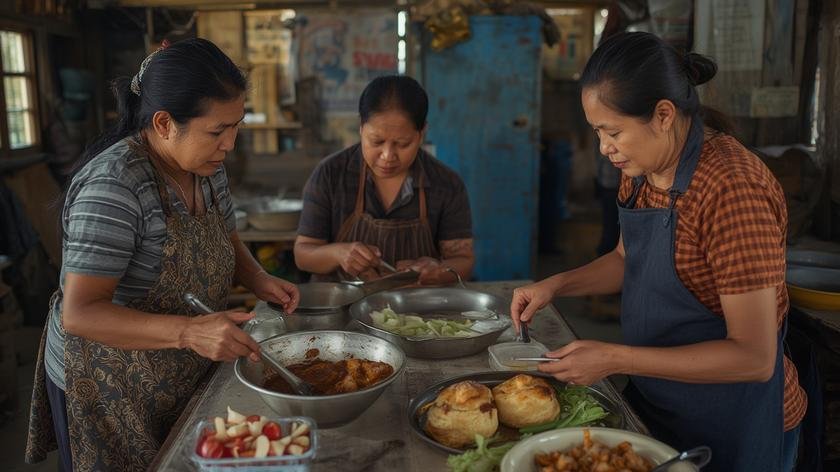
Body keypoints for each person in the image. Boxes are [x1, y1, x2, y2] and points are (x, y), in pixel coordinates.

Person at [510, 32, 806, 472]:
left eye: (613, 131)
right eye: (597, 132)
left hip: (734, 421)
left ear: (663, 114)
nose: (604, 147)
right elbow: (627, 259)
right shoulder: (644, 168)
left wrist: (615, 357)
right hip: (659, 404)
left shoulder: (732, 189)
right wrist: (557, 284)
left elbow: (754, 357)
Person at [25, 38, 299, 472]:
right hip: (106, 380)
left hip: (175, 364)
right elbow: (80, 313)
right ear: (165, 123)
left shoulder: (207, 168)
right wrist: (191, 333)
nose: (229, 143)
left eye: (236, 126)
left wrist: (259, 279)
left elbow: (226, 236)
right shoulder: (114, 187)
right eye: (216, 131)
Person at [294, 75, 474, 285]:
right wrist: (339, 254)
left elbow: (463, 262)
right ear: (361, 128)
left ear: (422, 133)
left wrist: (438, 271)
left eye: (403, 143)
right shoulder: (330, 174)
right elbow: (303, 255)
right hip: (341, 305)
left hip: (415, 310)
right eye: (376, 141)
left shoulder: (446, 183)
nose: (388, 155)